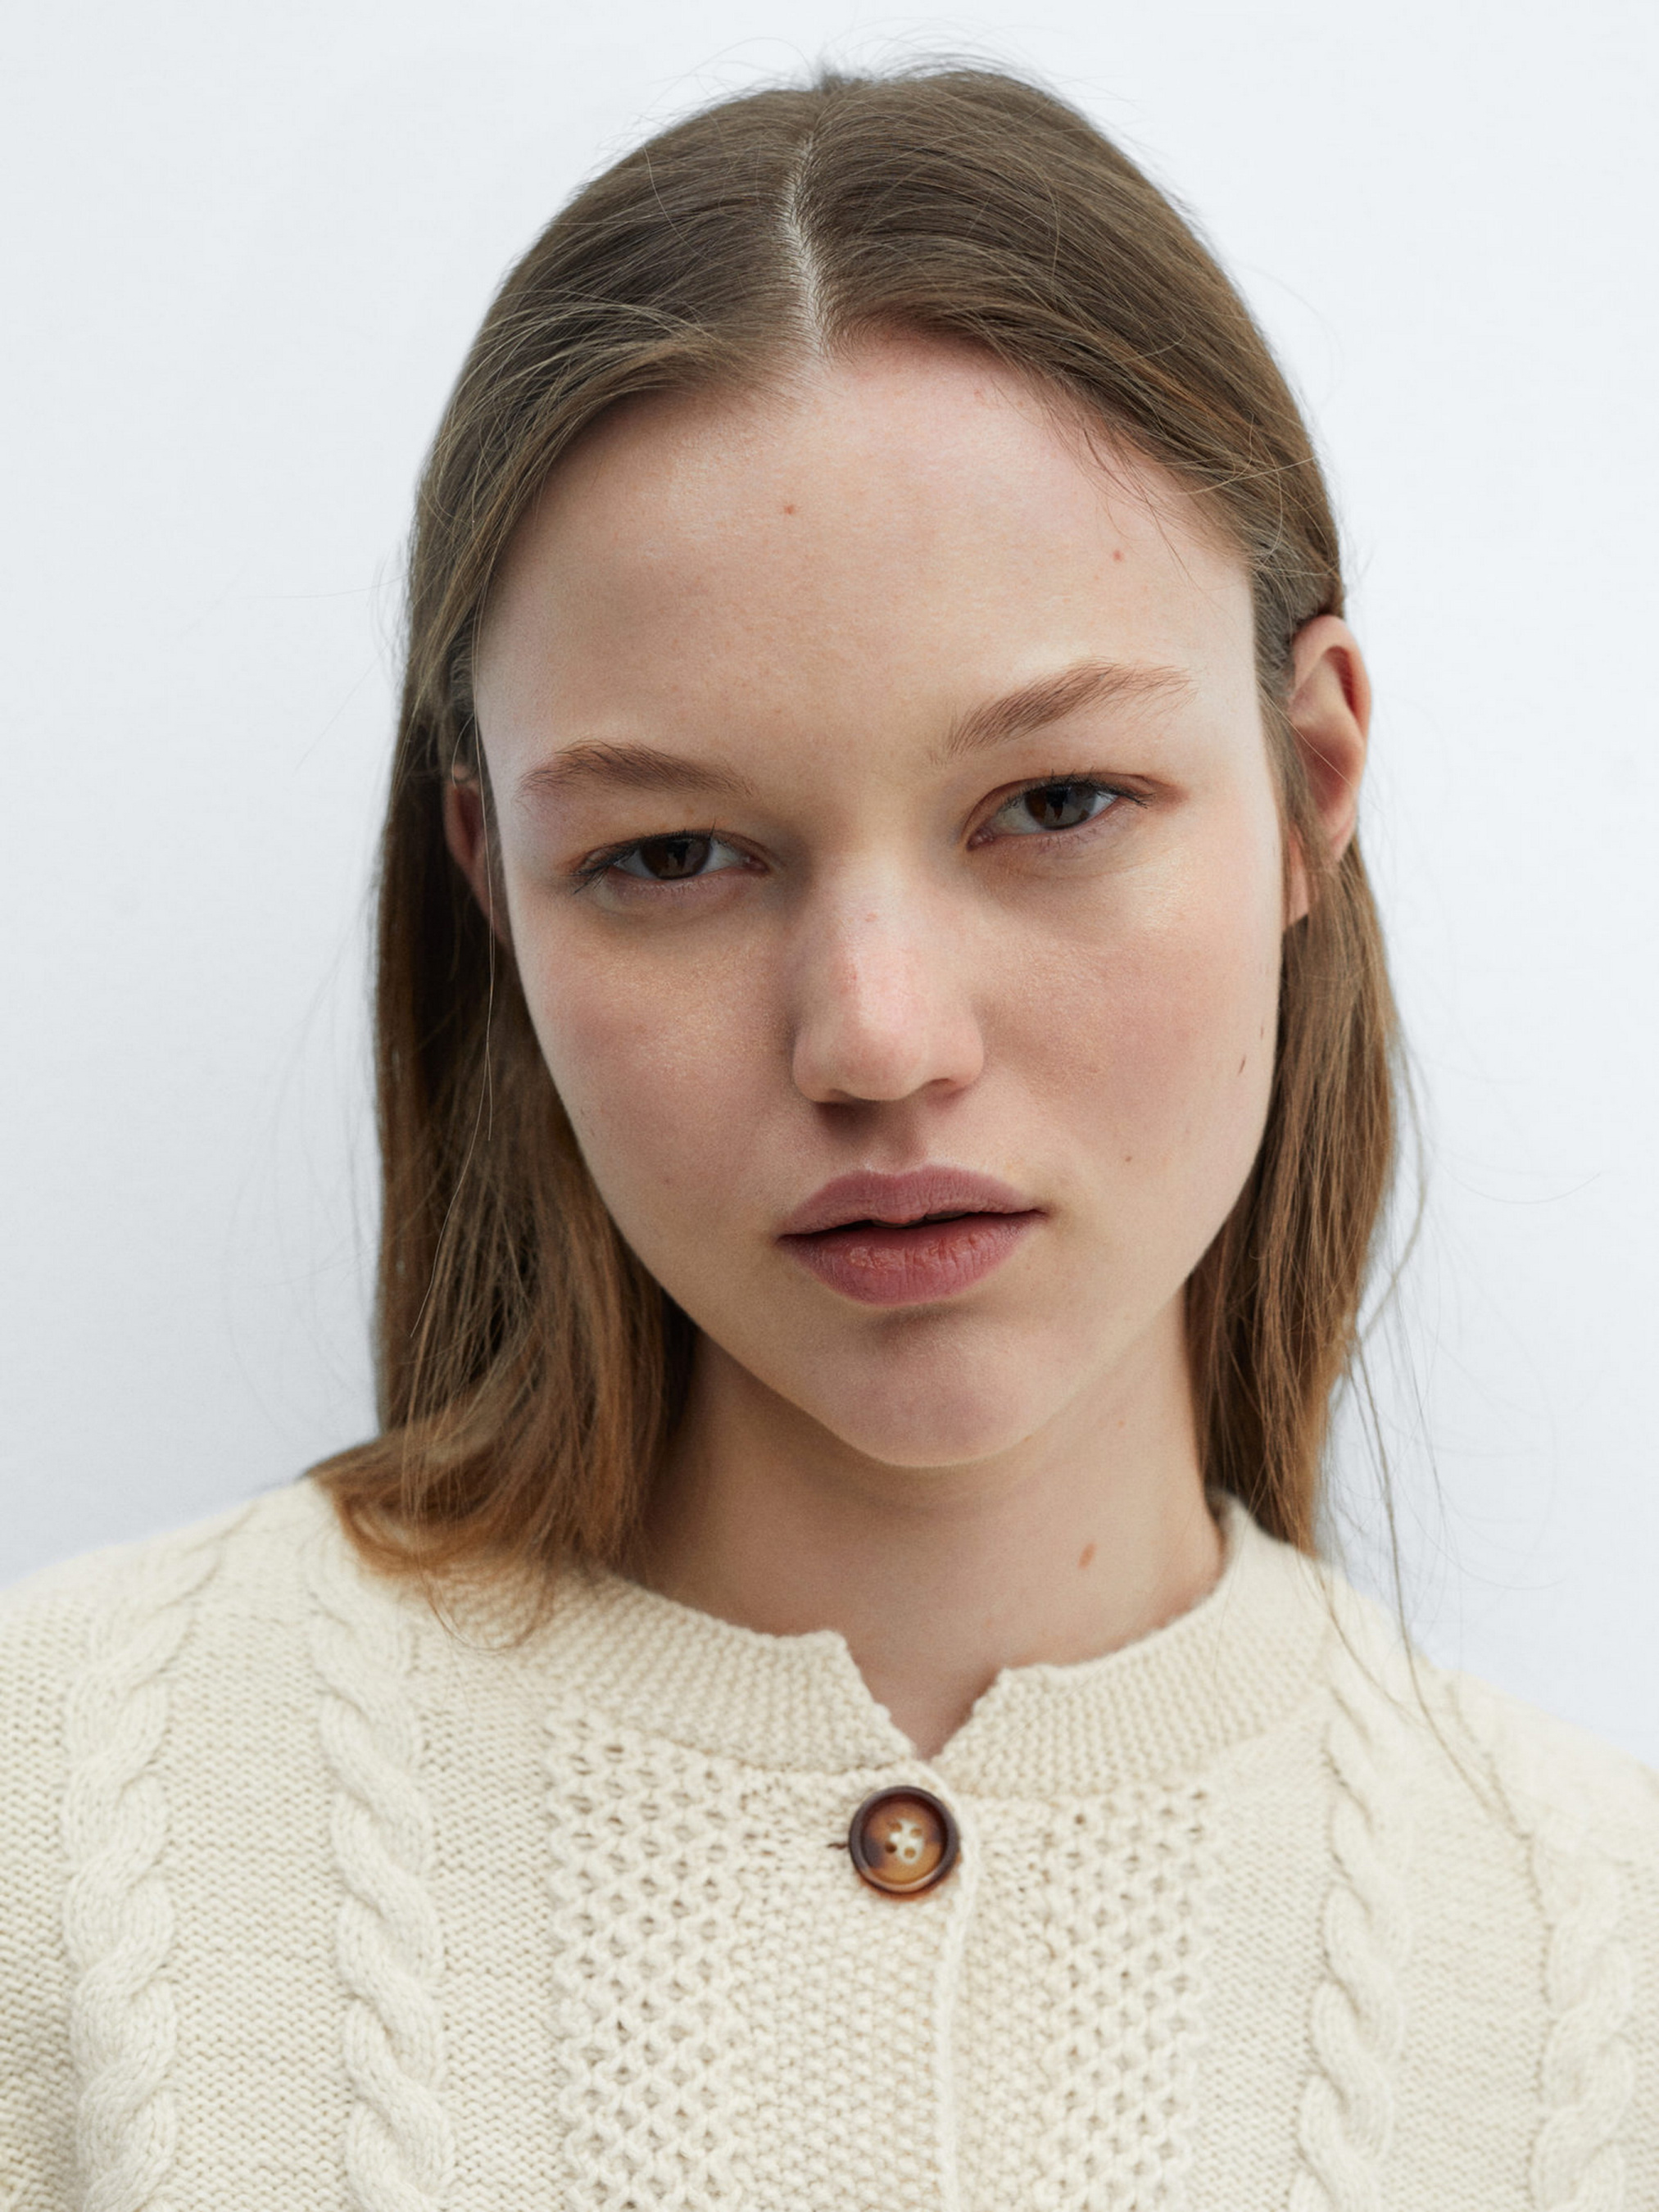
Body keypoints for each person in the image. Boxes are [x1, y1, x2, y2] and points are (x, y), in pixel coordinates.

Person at [3, 61, 1655, 2210]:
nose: (877, 1039)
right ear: (495, 886)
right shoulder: (66, 1831)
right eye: (671, 854)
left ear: (1308, 785)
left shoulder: (1599, 1991)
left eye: (1053, 803)